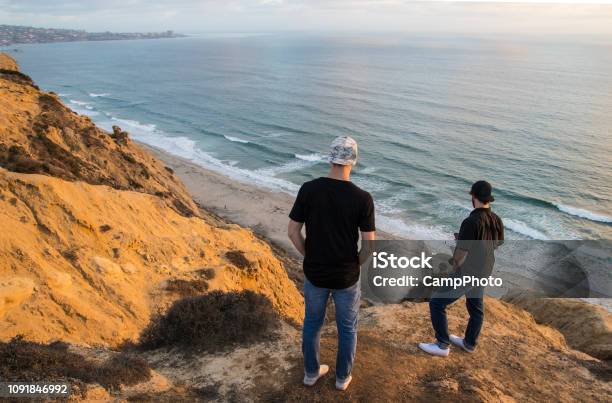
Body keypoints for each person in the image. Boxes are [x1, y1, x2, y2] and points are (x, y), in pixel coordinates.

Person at [288, 136, 376, 391]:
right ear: (354, 160)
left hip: (315, 273)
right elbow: (369, 246)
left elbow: (293, 232)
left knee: (312, 324)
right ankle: (341, 378)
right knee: (347, 328)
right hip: (346, 277)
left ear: (330, 157)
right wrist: (355, 266)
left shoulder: (308, 189)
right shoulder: (363, 198)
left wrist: (309, 255)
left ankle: (311, 373)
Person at [419, 180, 504, 357]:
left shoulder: (471, 221)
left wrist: (453, 265)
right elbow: (497, 243)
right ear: (488, 199)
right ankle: (469, 343)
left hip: (469, 271)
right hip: (485, 269)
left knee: (437, 302)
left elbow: (460, 254)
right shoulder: (496, 219)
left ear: (473, 197)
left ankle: (442, 345)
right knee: (475, 307)